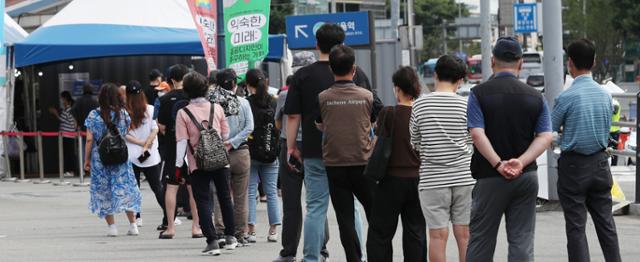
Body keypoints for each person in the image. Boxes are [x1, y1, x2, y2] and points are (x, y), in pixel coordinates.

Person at [284, 23, 382, 262]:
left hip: (315, 152)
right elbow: (372, 111)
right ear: (343, 45)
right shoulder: (356, 73)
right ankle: (360, 255)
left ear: (316, 44)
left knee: (316, 207)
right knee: (355, 208)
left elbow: (293, 115)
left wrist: (291, 147)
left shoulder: (302, 76)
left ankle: (311, 258)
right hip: (354, 152)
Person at [465, 37, 552, 261]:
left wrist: (498, 164)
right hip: (526, 177)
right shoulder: (536, 97)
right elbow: (545, 136)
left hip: (489, 177)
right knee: (522, 240)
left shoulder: (478, 94)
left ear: (492, 61)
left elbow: (477, 133)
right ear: (520, 63)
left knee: (481, 240)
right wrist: (521, 162)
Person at [552, 39, 621, 262]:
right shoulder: (605, 95)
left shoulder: (566, 97)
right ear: (593, 61)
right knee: (606, 224)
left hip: (574, 166)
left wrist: (563, 137)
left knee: (576, 227)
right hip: (601, 164)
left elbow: (549, 132)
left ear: (569, 63)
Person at [410, 56, 475, 262]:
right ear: (461, 80)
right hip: (464, 177)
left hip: (432, 180)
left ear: (435, 75)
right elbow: (472, 140)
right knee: (464, 234)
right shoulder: (467, 105)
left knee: (437, 236)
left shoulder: (419, 105)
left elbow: (415, 142)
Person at [316, 45, 376, 262]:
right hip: (363, 163)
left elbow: (319, 124)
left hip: (335, 165)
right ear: (354, 69)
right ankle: (377, 255)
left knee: (345, 219)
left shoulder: (323, 97)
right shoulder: (367, 96)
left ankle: (354, 259)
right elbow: (377, 123)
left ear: (331, 69)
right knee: (374, 215)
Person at [367, 66, 426, 262]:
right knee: (416, 232)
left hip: (391, 180)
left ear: (397, 88)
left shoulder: (388, 113)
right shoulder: (422, 113)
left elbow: (377, 144)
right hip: (418, 180)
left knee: (380, 234)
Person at [175, 71, 236, 255]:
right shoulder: (216, 108)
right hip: (220, 160)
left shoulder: (183, 112)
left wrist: (179, 167)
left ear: (186, 90)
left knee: (202, 199)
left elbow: (181, 143)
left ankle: (212, 240)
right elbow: (226, 135)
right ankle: (231, 237)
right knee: (225, 196)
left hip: (197, 163)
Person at [84, 83, 142, 237]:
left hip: (100, 158)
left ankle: (112, 228)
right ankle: (133, 225)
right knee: (126, 187)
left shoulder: (93, 115)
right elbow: (125, 133)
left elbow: (89, 140)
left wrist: (86, 160)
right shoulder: (123, 114)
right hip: (120, 156)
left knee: (103, 191)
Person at [207, 68, 253, 246]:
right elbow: (249, 127)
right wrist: (233, 142)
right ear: (234, 83)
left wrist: (223, 143)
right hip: (241, 152)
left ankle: (220, 232)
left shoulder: (212, 104)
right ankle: (239, 234)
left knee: (220, 194)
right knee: (241, 196)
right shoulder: (243, 102)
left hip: (219, 153)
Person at [156, 64, 203, 239]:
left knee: (171, 187)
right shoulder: (194, 98)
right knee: (194, 189)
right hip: (192, 150)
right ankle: (196, 228)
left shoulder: (165, 99)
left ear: (172, 80)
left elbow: (160, 126)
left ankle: (170, 228)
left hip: (173, 150)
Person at [124, 80, 166, 229]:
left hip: (131, 155)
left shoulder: (124, 112)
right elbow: (155, 129)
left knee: (133, 188)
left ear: (127, 95)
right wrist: (146, 144)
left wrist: (140, 143)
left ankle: (137, 218)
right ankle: (168, 216)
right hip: (150, 154)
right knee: (157, 187)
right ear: (142, 93)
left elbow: (125, 134)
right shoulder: (151, 109)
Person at [246, 68, 282, 243]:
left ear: (247, 84)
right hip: (271, 153)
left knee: (251, 191)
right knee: (272, 192)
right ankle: (273, 230)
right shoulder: (274, 102)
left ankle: (251, 230)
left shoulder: (246, 103)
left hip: (251, 153)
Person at [48, 91, 77, 177]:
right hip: (68, 134)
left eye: (62, 99)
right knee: (68, 153)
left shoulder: (68, 110)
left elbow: (69, 122)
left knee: (68, 153)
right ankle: (69, 170)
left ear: (65, 99)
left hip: (67, 135)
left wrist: (55, 114)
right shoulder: (69, 110)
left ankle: (70, 171)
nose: (61, 101)